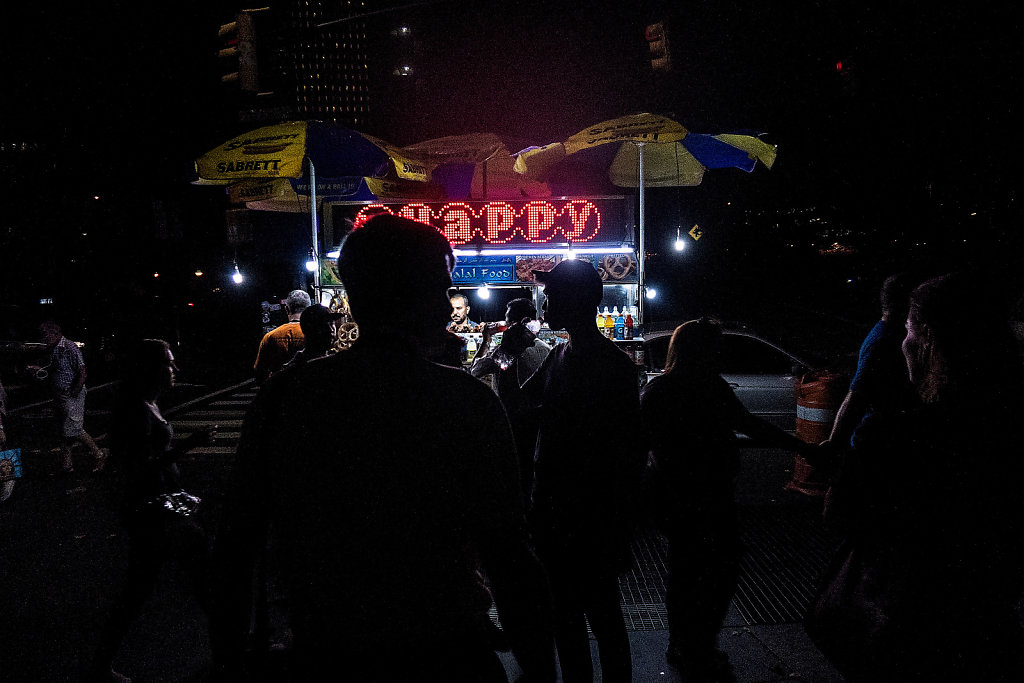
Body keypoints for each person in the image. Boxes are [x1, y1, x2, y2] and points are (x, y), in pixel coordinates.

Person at [211, 214, 556, 682]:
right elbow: (510, 558)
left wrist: (231, 658)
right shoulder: (465, 402)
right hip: (445, 652)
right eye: (442, 286)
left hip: (327, 653)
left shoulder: (286, 399)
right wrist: (538, 669)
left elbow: (236, 547)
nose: (446, 306)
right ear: (423, 296)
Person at [806, 273, 1024, 682]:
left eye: (908, 330)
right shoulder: (1007, 433)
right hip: (988, 636)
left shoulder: (892, 437)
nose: (901, 342)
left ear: (928, 341)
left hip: (904, 633)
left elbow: (839, 516)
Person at [639, 318, 816, 681]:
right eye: (714, 345)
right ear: (701, 350)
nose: (719, 352)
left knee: (688, 571)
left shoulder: (665, 389)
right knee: (714, 570)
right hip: (699, 496)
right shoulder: (703, 387)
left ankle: (687, 644)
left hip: (679, 497)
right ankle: (696, 646)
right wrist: (801, 447)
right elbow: (749, 424)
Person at [520, 258, 645, 683]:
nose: (546, 301)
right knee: (572, 618)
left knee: (598, 616)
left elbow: (626, 455)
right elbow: (518, 406)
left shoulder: (610, 367)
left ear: (577, 300)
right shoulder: (559, 355)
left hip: (588, 518)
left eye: (553, 294)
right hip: (557, 516)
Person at [87, 339, 216, 683]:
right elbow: (141, 466)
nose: (175, 370)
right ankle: (231, 650)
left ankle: (101, 664)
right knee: (198, 578)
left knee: (144, 588)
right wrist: (189, 444)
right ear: (150, 368)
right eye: (168, 364)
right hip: (154, 511)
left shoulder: (146, 404)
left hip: (161, 506)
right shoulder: (135, 410)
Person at [824, 272, 919, 450]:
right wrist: (834, 442)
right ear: (906, 303)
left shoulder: (888, 335)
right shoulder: (882, 342)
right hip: (875, 443)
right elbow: (855, 397)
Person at [471, 298, 551, 496]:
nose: (505, 325)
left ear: (521, 321)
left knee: (515, 477)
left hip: (513, 424)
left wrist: (486, 339)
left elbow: (475, 371)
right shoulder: (547, 350)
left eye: (508, 321)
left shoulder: (507, 350)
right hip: (539, 425)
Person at [26, 320, 107, 475]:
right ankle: (67, 465)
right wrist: (38, 370)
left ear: (54, 333)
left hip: (71, 394)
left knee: (73, 429)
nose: (43, 338)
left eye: (45, 334)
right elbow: (56, 371)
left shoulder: (69, 347)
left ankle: (99, 454)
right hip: (60, 394)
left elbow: (82, 372)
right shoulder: (53, 349)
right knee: (64, 430)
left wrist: (74, 392)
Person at [253, 289, 311, 383]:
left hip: (279, 391)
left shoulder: (270, 336)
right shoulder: (314, 333)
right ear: (308, 309)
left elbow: (259, 370)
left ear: (287, 309)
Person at [281, 303, 342, 370]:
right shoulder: (297, 368)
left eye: (331, 323)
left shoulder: (333, 361)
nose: (330, 330)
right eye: (322, 325)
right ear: (308, 329)